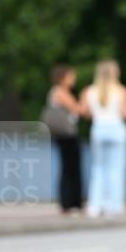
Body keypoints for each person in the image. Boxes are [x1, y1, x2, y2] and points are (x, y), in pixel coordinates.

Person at [80, 60, 126, 216]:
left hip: (98, 129)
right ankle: (114, 206)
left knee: (98, 168)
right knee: (116, 168)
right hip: (117, 129)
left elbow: (85, 113)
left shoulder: (89, 91)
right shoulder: (121, 91)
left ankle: (95, 206)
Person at [42, 65, 83, 213]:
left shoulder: (58, 92)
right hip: (66, 135)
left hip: (63, 135)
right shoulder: (59, 92)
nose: (73, 79)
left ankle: (69, 202)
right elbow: (78, 109)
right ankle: (70, 202)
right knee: (70, 168)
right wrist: (85, 97)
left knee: (68, 168)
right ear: (62, 78)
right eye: (71, 76)